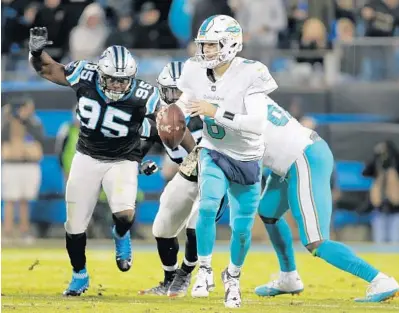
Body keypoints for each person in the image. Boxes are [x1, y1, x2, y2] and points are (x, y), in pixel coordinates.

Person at [29, 27, 160, 296]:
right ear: (100, 74)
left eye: (122, 81)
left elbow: (159, 129)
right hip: (87, 156)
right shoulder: (83, 75)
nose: (116, 85)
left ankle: (120, 233)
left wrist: (140, 159)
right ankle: (80, 274)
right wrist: (36, 52)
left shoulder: (145, 95)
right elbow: (46, 69)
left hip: (122, 159)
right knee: (75, 225)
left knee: (125, 213)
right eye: (111, 79)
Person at [176, 15, 277, 308]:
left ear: (230, 43)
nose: (205, 51)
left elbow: (257, 124)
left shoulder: (252, 72)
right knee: (207, 206)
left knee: (242, 229)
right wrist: (173, 114)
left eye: (210, 45)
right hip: (214, 149)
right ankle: (204, 270)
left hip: (247, 157)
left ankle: (232, 276)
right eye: (203, 45)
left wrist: (214, 111)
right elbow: (186, 101)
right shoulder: (194, 69)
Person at [254, 102, 399, 302]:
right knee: (268, 212)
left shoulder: (232, 99)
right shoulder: (243, 90)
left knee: (316, 242)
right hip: (292, 158)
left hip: (302, 157)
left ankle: (380, 280)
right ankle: (288, 277)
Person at [140, 62, 229, 297]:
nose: (175, 98)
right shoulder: (157, 115)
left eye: (180, 92)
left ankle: (185, 273)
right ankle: (168, 279)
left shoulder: (209, 111)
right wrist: (141, 163)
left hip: (215, 176)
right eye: (171, 91)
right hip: (187, 174)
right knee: (162, 227)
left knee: (195, 226)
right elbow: (140, 146)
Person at [2, 97, 45, 244]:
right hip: (12, 166)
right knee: (10, 199)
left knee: (25, 200)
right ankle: (7, 232)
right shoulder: (8, 123)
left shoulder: (34, 123)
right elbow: (5, 146)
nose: (30, 110)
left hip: (29, 165)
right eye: (27, 107)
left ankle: (24, 231)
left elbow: (39, 143)